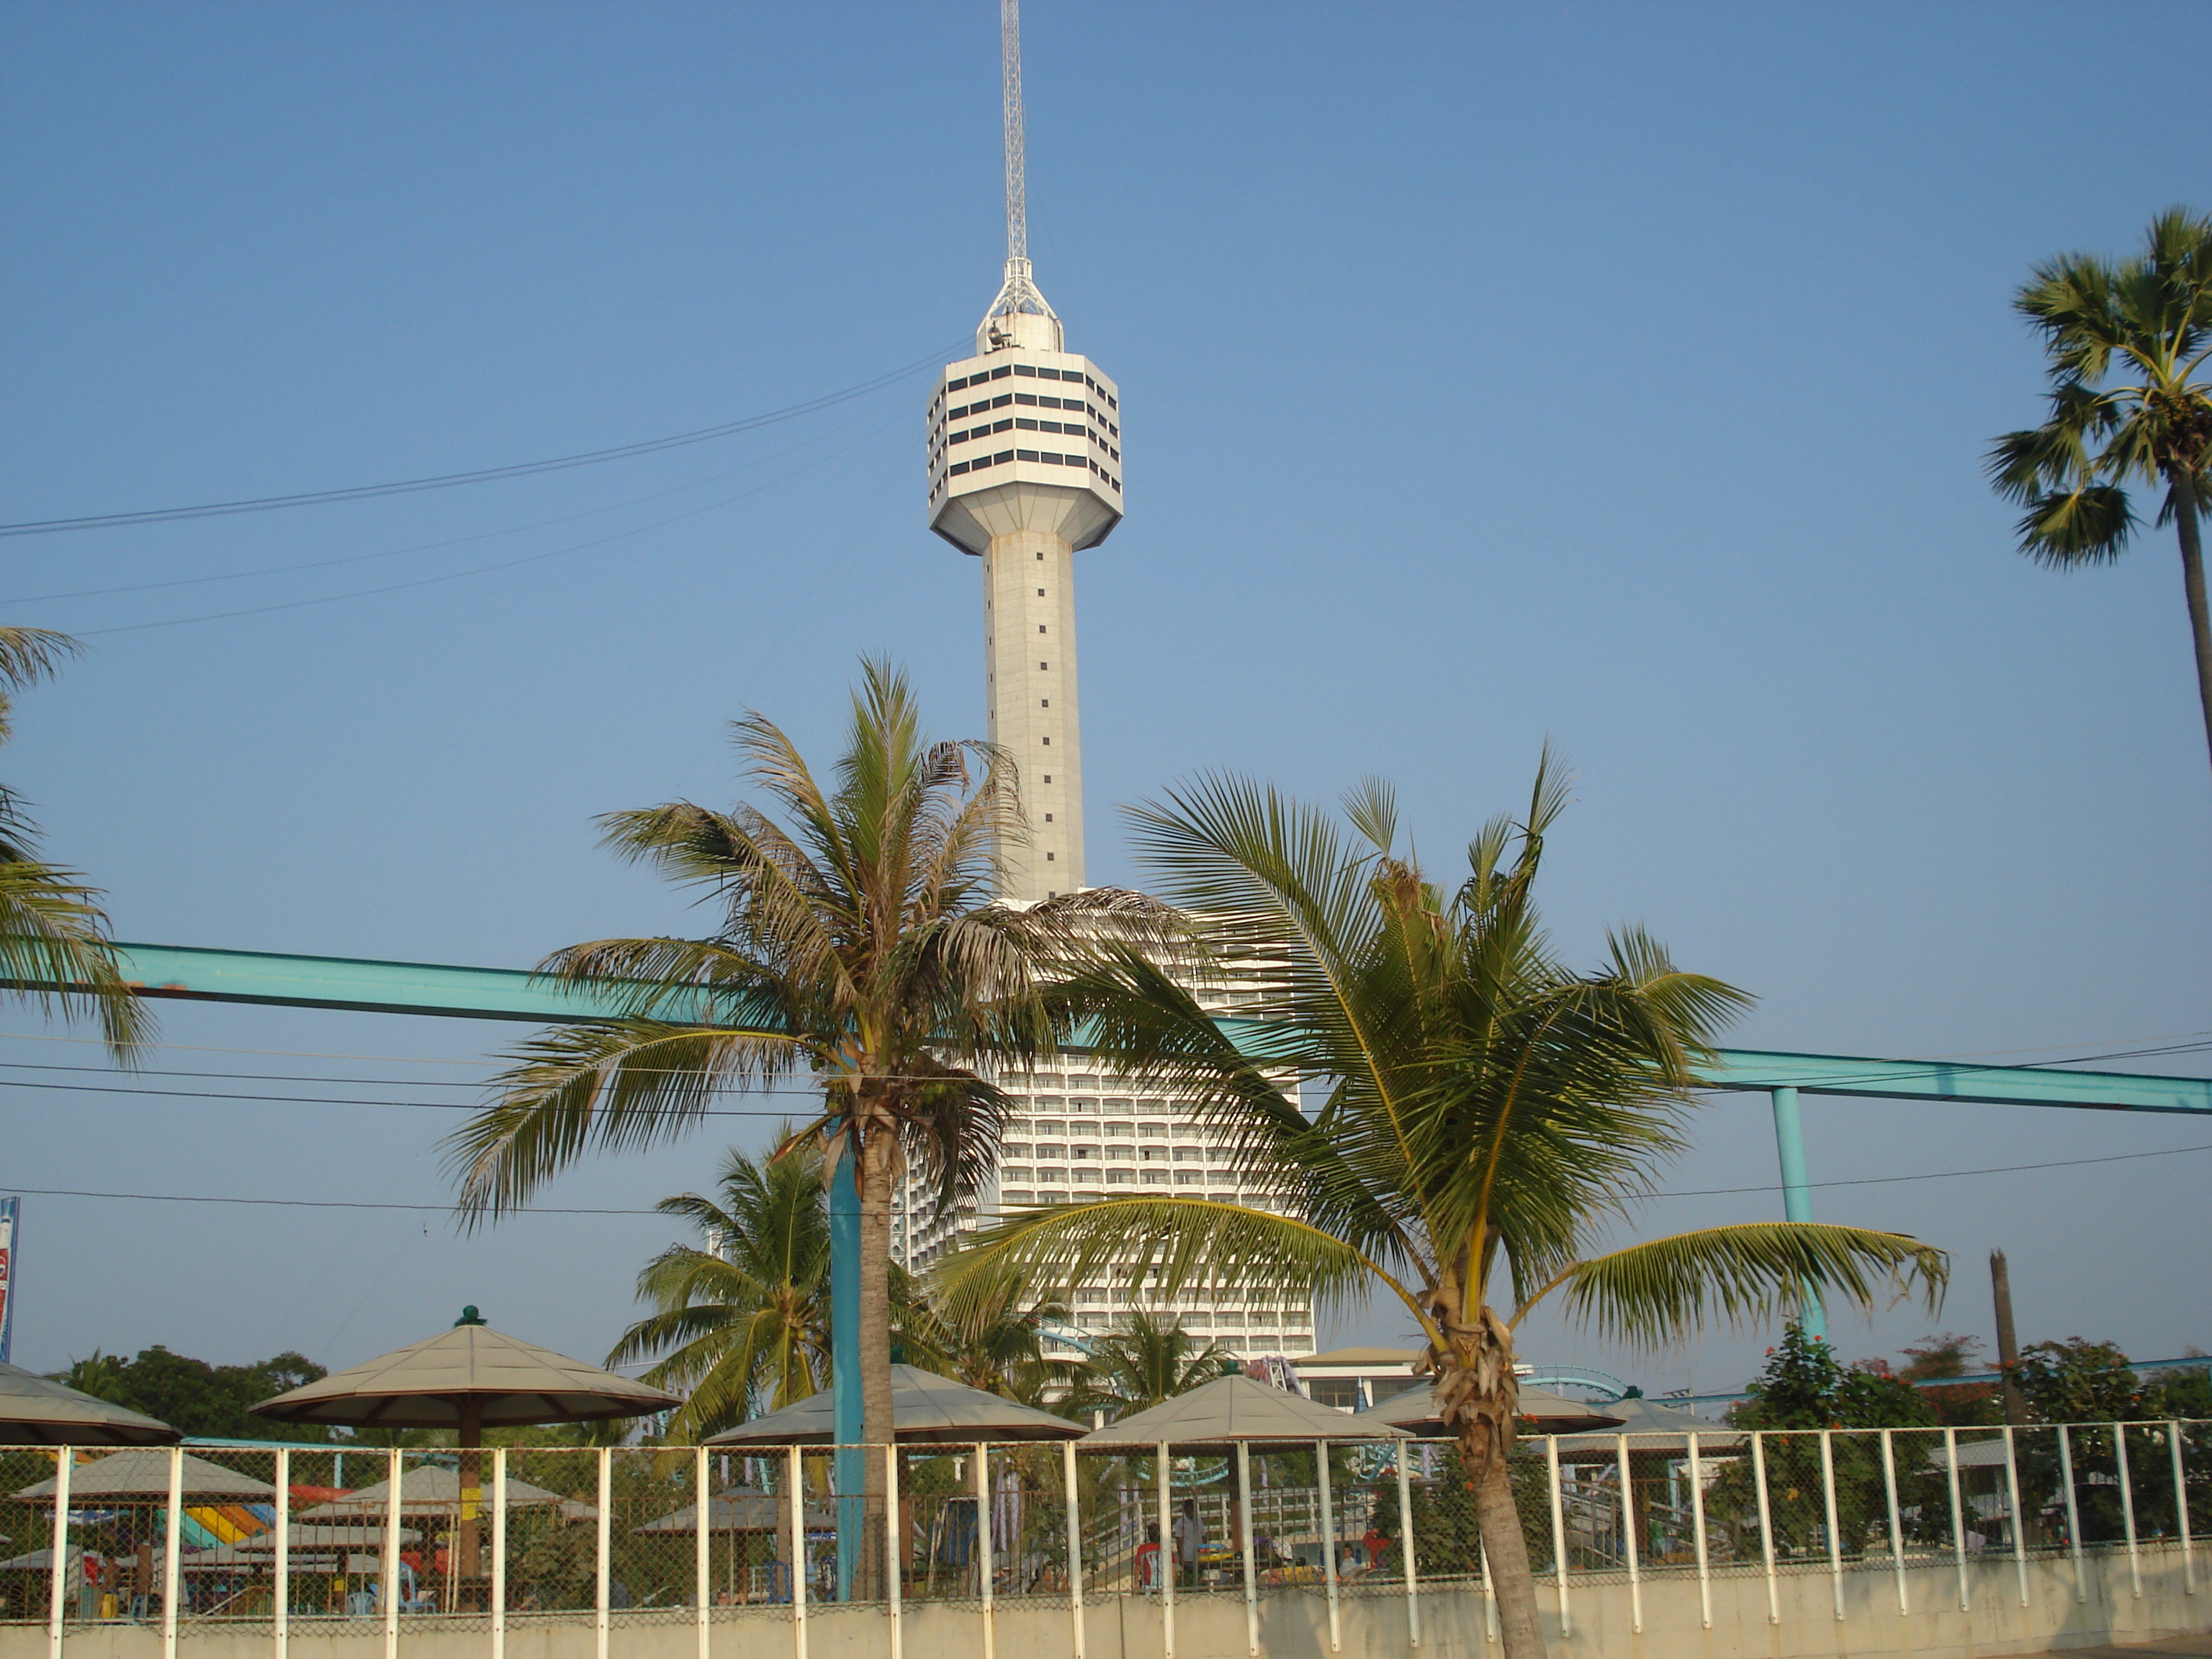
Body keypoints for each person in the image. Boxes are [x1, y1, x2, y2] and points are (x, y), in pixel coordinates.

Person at [1173, 1497, 1206, 1586]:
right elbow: (1179, 1541)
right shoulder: (1180, 1523)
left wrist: (1205, 1550)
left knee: (1201, 1575)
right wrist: (1181, 1557)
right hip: (1187, 1555)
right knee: (1189, 1576)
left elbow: (1203, 1536)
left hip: (1199, 1554)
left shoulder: (1199, 1520)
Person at [1134, 1523, 1162, 1592]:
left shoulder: (1143, 1549)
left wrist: (1136, 1583)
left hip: (1147, 1584)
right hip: (1163, 1583)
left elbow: (1138, 1567)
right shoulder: (1166, 1548)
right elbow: (1173, 1569)